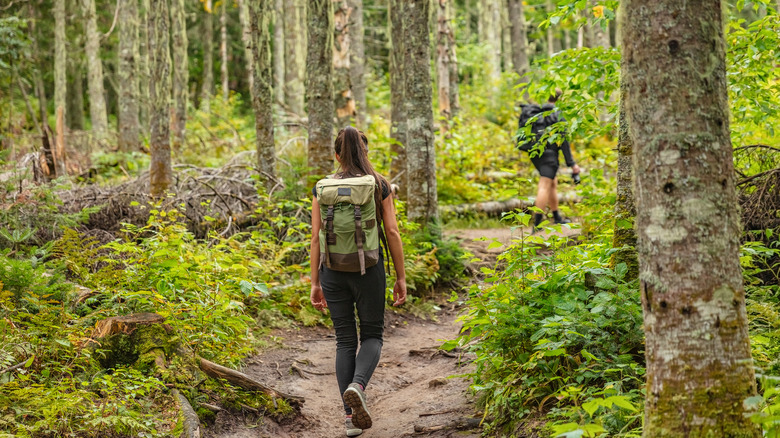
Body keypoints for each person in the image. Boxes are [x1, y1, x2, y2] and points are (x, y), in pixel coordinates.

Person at [309, 126, 407, 437]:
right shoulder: (379, 185)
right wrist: (402, 277)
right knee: (373, 336)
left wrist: (315, 282)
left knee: (344, 341)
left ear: (336, 155)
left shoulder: (322, 188)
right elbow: (391, 232)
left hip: (332, 270)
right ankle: (358, 384)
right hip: (369, 270)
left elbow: (315, 238)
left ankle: (350, 417)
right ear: (365, 153)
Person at [518, 89, 581, 230]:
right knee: (544, 186)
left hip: (535, 153)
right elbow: (563, 141)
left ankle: (557, 216)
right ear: (560, 99)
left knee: (552, 182)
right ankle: (537, 223)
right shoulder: (558, 114)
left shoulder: (539, 112)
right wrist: (572, 164)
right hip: (549, 155)